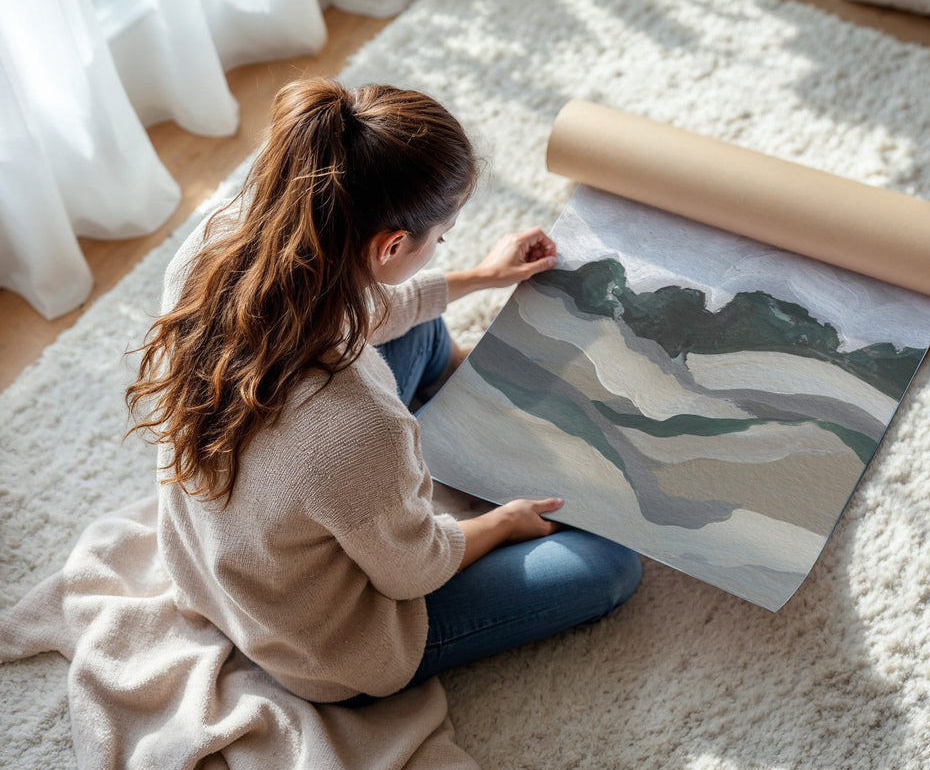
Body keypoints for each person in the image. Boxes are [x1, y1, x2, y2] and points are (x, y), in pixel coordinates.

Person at [126, 77, 641, 706]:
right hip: (319, 643)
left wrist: (481, 276)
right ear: (392, 244)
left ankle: (469, 398)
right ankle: (467, 425)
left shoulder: (215, 242)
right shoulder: (360, 425)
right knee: (610, 566)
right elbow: (413, 571)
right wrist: (503, 522)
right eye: (440, 238)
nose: (440, 247)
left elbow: (366, 308)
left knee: (420, 325)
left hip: (219, 560)